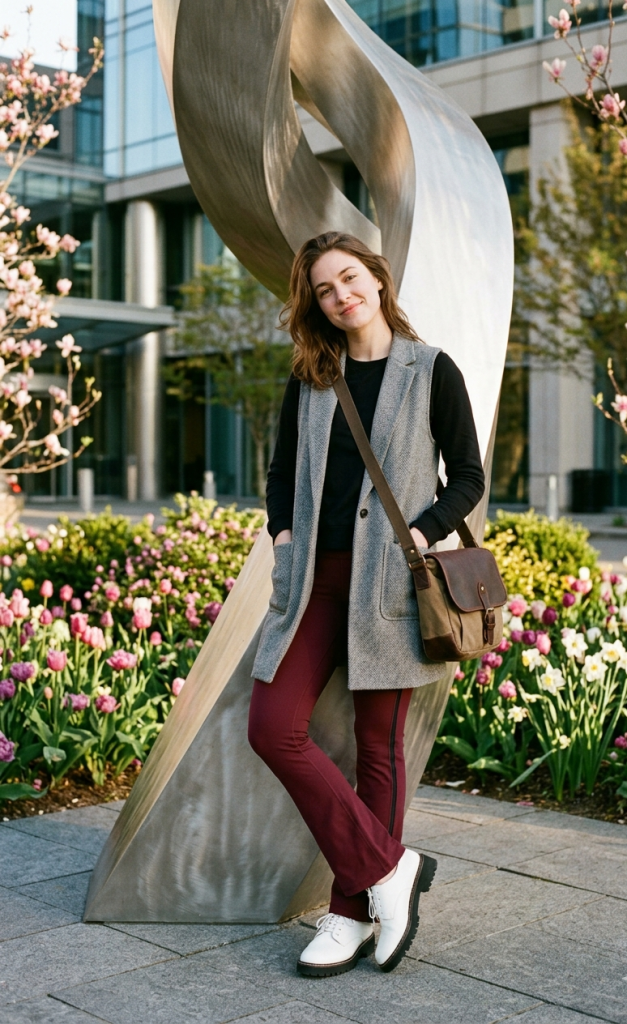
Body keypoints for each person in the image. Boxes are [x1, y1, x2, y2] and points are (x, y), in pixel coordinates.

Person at [248, 231, 485, 977]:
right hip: (315, 580)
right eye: (324, 289)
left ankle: (350, 912)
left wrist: (418, 531)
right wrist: (284, 542)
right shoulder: (313, 375)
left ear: (376, 278)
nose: (341, 295)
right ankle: (390, 870)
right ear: (315, 304)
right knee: (272, 727)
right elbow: (282, 471)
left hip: (390, 584)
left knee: (376, 752)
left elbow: (469, 477)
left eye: (348, 278)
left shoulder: (431, 369)